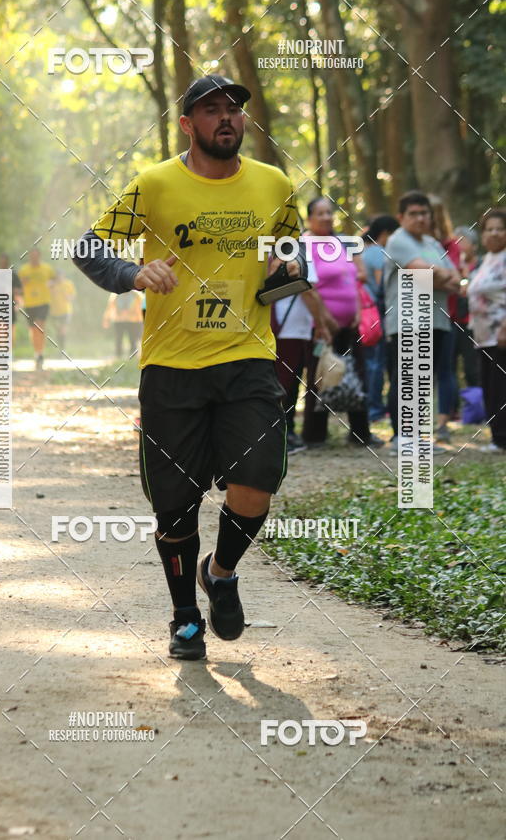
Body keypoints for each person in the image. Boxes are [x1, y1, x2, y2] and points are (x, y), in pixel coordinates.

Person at [74, 74, 305, 660]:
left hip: (248, 357)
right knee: (175, 505)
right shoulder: (154, 184)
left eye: (233, 109)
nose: (226, 117)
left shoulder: (274, 184)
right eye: (211, 109)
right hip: (172, 365)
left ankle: (220, 572)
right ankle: (184, 618)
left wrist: (287, 271)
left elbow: (289, 259)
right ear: (186, 124)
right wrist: (133, 273)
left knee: (257, 481)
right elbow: (88, 247)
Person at [301, 197, 382, 448]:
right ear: (309, 218)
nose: (326, 217)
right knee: (321, 374)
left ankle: (360, 433)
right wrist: (325, 320)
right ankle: (314, 435)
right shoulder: (305, 243)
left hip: (350, 323)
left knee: (356, 373)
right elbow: (308, 286)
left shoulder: (339, 242)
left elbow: (353, 278)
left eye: (329, 212)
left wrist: (357, 309)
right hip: (321, 325)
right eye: (320, 213)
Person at [384, 191, 461, 454]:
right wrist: (438, 274)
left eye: (424, 213)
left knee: (424, 382)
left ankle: (417, 437)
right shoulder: (398, 240)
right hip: (408, 321)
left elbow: (456, 279)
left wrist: (438, 275)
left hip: (436, 320)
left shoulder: (432, 243)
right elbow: (425, 272)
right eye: (413, 214)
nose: (420, 218)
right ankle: (402, 438)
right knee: (406, 378)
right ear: (401, 217)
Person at [273, 246, 333, 453]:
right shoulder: (298, 252)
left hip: (280, 327)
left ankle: (285, 431)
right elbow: (308, 291)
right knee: (286, 384)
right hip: (291, 329)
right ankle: (281, 434)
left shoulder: (269, 249)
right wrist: (321, 325)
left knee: (285, 383)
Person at [467, 208, 506, 452]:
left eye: (500, 229)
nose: (494, 233)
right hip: (483, 336)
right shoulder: (487, 259)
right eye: (489, 229)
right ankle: (497, 436)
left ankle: (502, 438)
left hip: (500, 334)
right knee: (491, 387)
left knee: (501, 387)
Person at [429, 195, 461, 441]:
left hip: (446, 315)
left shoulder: (450, 245)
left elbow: (455, 281)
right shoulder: (411, 243)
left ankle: (442, 424)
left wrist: (430, 277)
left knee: (444, 369)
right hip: (416, 315)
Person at [362, 215, 399, 421]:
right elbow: (381, 285)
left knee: (371, 361)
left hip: (367, 313)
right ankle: (375, 408)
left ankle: (372, 406)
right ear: (385, 234)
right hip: (375, 313)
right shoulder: (378, 252)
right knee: (376, 362)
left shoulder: (366, 251)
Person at [451, 226, 481, 397]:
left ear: (474, 246)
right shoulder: (450, 266)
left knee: (472, 367)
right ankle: (453, 406)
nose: (458, 246)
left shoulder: (482, 265)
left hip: (473, 323)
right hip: (452, 321)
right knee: (449, 366)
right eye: (456, 242)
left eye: (462, 242)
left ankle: (477, 403)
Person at [18, 247, 55, 370]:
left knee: (40, 326)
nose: (34, 258)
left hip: (43, 302)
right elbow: (18, 286)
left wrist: (52, 284)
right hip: (29, 303)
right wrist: (22, 283)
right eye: (32, 256)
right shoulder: (24, 270)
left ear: (39, 256)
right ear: (29, 257)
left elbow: (54, 280)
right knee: (33, 330)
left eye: (36, 256)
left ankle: (40, 353)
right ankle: (37, 353)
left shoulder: (47, 268)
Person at [102, 289, 143, 358]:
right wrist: (106, 319)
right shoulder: (115, 294)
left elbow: (141, 308)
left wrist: (141, 320)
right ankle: (118, 355)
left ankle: (132, 356)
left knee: (132, 339)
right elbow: (110, 307)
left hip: (132, 321)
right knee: (118, 339)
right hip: (119, 320)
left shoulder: (136, 295)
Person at [0, 253, 23, 346]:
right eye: (1, 262)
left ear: (7, 263)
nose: (3, 264)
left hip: (10, 306)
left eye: (5, 263)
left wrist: (18, 303)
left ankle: (9, 349)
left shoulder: (13, 275)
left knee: (10, 330)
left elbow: (20, 290)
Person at [50, 270, 76, 351]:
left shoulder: (68, 284)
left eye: (60, 276)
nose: (59, 278)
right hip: (54, 311)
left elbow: (73, 296)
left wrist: (69, 298)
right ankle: (59, 348)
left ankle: (62, 349)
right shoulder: (52, 285)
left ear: (63, 276)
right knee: (58, 331)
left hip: (66, 311)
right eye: (57, 277)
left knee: (63, 330)